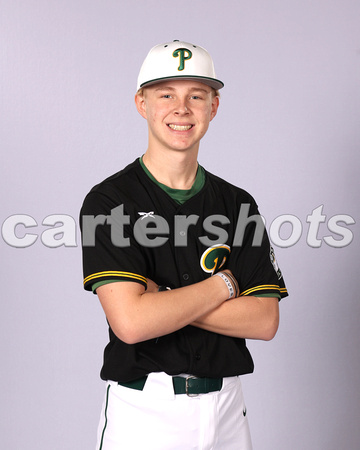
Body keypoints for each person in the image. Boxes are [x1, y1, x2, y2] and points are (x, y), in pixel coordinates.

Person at [80, 40, 288, 450]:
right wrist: (223, 287)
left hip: (228, 407)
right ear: (142, 103)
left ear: (214, 106)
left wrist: (165, 300)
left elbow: (264, 321)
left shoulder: (237, 203)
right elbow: (132, 323)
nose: (182, 108)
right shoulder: (108, 202)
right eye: (166, 95)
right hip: (146, 411)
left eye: (197, 95)